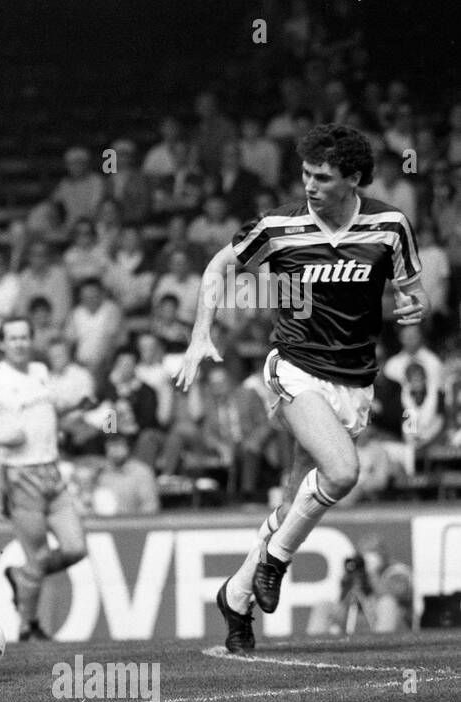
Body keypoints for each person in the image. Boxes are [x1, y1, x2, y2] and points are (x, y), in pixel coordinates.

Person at [176, 124, 426, 654]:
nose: (310, 185)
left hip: (354, 383)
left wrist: (412, 305)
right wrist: (201, 333)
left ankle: (236, 595)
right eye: (306, 174)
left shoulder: (389, 225)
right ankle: (275, 562)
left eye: (323, 177)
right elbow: (221, 264)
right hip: (292, 369)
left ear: (353, 179)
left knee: (294, 501)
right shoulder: (279, 227)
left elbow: (410, 291)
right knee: (342, 472)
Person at [0, 316, 88, 640]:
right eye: (13, 338)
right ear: (1, 343)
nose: (20, 343)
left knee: (76, 548)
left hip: (52, 472)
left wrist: (83, 408)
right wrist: (1, 440)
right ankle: (29, 626)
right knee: (39, 556)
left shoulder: (40, 373)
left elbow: (49, 411)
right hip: (20, 477)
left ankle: (20, 576)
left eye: (25, 337)